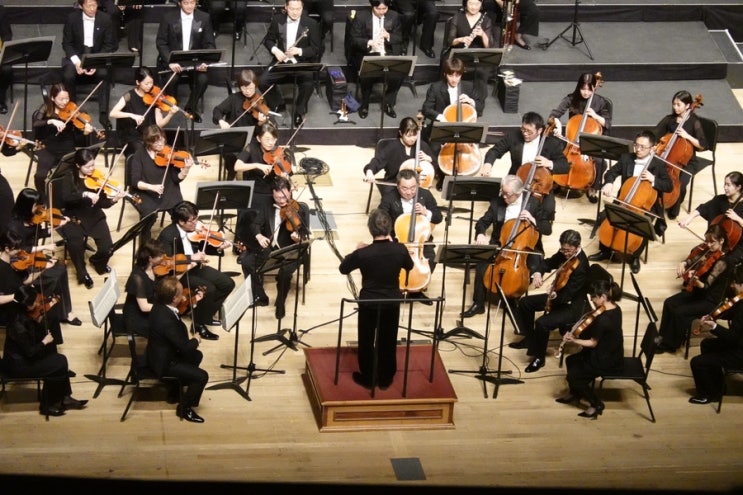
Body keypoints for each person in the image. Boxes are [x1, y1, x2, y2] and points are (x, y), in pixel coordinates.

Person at [339, 208, 414, 390]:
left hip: (369, 303)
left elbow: (343, 268)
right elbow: (410, 265)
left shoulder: (363, 253)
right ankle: (386, 378)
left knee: (366, 340)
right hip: (391, 302)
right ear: (390, 228)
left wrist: (358, 249)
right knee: (388, 339)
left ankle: (369, 378)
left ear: (370, 229)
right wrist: (394, 246)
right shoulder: (399, 249)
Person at [461, 174, 553, 317]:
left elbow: (547, 228)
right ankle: (478, 303)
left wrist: (532, 219)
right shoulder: (497, 202)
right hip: (501, 244)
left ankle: (513, 299)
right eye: (502, 192)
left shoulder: (533, 203)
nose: (503, 196)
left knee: (532, 267)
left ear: (518, 192)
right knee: (482, 265)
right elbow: (482, 222)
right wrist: (480, 234)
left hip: (525, 247)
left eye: (507, 194)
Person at [587, 130, 673, 274]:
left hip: (646, 206)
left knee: (642, 227)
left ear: (652, 148)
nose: (638, 149)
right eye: (636, 145)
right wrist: (609, 182)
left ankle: (634, 257)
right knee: (604, 217)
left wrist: (653, 179)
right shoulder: (626, 158)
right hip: (625, 199)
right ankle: (605, 251)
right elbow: (611, 172)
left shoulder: (658, 164)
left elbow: (669, 186)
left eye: (642, 147)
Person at [510, 229, 590, 373]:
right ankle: (529, 339)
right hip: (558, 295)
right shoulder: (564, 253)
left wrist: (553, 295)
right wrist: (538, 273)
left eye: (568, 251)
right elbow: (548, 263)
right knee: (525, 303)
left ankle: (539, 358)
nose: (565, 253)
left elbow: (568, 295)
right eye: (563, 249)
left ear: (577, 246)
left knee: (542, 323)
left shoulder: (582, 267)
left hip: (571, 305)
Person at [2, 285, 88, 416]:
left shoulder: (19, 312)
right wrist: (44, 341)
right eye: (34, 302)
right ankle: (47, 405)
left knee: (56, 358)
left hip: (23, 355)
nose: (37, 304)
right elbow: (30, 352)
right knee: (60, 362)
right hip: (19, 365)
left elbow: (29, 336)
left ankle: (64, 397)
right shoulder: (18, 325)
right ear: (26, 306)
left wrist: (39, 325)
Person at [157, 200, 235, 341]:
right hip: (180, 273)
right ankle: (197, 325)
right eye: (192, 220)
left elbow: (203, 244)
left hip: (195, 267)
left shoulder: (192, 230)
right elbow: (168, 261)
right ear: (181, 221)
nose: (196, 223)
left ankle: (204, 314)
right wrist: (191, 258)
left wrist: (219, 248)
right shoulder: (167, 235)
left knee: (228, 283)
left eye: (196, 218)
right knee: (209, 289)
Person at [234, 177, 311, 319]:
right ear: (273, 195)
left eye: (284, 197)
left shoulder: (299, 210)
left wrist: (297, 238)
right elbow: (255, 224)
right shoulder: (267, 205)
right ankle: (260, 297)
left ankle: (281, 301)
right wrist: (259, 236)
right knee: (246, 262)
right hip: (271, 248)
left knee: (285, 273)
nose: (281, 201)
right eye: (277, 198)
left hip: (291, 249)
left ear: (290, 192)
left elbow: (304, 235)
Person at [7, 187, 82, 326]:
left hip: (33, 256)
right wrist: (44, 247)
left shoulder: (32, 218)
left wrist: (56, 226)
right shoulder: (14, 226)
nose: (40, 208)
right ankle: (46, 306)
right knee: (54, 275)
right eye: (36, 205)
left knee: (61, 269)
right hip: (21, 262)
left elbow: (38, 234)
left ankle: (64, 311)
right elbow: (20, 249)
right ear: (26, 206)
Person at [53, 148, 124, 289]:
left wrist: (114, 200)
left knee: (107, 248)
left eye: (93, 165)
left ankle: (97, 262)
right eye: (88, 166)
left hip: (93, 215)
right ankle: (82, 273)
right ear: (78, 165)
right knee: (75, 245)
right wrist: (84, 194)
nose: (92, 169)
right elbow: (66, 198)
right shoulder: (69, 177)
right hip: (73, 217)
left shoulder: (97, 178)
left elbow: (103, 203)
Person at [482, 111, 568, 225]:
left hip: (540, 185)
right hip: (517, 181)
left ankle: (536, 230)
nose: (525, 134)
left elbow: (565, 166)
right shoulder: (514, 136)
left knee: (548, 209)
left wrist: (549, 163)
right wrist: (488, 164)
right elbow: (495, 150)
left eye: (529, 131)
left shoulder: (551, 142)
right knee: (498, 204)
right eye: (523, 129)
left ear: (539, 131)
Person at [555, 279, 624, 419]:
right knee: (570, 360)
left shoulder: (603, 319)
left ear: (603, 297)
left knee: (574, 377)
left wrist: (574, 340)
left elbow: (592, 343)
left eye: (594, 297)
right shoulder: (615, 308)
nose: (592, 300)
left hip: (605, 359)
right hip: (611, 351)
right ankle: (575, 393)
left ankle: (596, 403)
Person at [655, 225, 729, 354]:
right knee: (669, 302)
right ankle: (661, 337)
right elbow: (694, 259)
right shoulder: (708, 252)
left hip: (710, 300)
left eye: (712, 242)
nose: (708, 245)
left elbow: (706, 286)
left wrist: (695, 281)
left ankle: (671, 344)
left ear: (721, 240)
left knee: (679, 312)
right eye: (707, 241)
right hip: (698, 293)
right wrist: (684, 263)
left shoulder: (722, 262)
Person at [146, 276, 209, 423]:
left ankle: (175, 390)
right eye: (181, 294)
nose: (184, 295)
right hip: (165, 362)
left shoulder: (160, 305)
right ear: (174, 298)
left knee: (197, 356)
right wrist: (196, 339)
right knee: (202, 376)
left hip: (158, 352)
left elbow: (178, 311)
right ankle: (184, 409)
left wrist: (194, 300)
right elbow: (185, 347)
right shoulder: (167, 321)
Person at [377, 168, 442, 303]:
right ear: (398, 186)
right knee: (390, 260)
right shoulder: (389, 197)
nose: (409, 192)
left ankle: (417, 290)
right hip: (397, 239)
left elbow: (438, 217)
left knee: (431, 258)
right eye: (404, 188)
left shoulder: (425, 194)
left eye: (413, 188)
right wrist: (386, 234)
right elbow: (380, 217)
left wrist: (426, 212)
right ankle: (396, 290)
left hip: (420, 241)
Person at [549, 72, 613, 202]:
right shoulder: (571, 98)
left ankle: (593, 188)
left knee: (600, 162)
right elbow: (555, 114)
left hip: (591, 141)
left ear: (594, 88)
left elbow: (607, 123)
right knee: (554, 151)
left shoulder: (601, 102)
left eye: (589, 90)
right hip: (572, 139)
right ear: (579, 87)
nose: (586, 93)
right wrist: (557, 123)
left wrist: (595, 116)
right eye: (583, 89)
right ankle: (556, 181)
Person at [421, 56, 484, 189]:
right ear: (445, 74)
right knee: (435, 149)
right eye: (451, 75)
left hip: (463, 127)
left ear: (461, 74)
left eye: (457, 75)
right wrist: (441, 117)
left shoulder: (468, 87)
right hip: (442, 127)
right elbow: (426, 109)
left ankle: (461, 175)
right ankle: (442, 175)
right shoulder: (436, 87)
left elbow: (480, 106)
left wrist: (471, 101)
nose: (454, 79)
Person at [259, 0, 322, 127]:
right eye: (292, 9)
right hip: (281, 60)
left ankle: (299, 111)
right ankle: (277, 103)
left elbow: (315, 49)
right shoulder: (277, 20)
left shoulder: (311, 24)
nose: (295, 12)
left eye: (298, 9)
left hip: (300, 62)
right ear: (286, 7)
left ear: (302, 8)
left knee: (308, 83)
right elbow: (268, 40)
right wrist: (276, 50)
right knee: (262, 81)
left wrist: (299, 51)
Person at [689, 263, 743, 405]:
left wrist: (714, 326)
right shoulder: (741, 300)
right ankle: (717, 387)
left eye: (735, 283)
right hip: (739, 343)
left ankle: (708, 395)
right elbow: (733, 314)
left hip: (740, 353)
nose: (732, 285)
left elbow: (733, 338)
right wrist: (714, 316)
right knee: (706, 344)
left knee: (697, 362)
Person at [155, 0, 217, 123]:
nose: (189, 6)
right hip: (174, 60)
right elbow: (161, 42)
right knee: (172, 79)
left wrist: (204, 62)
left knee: (203, 79)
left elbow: (210, 44)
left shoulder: (204, 17)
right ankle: (173, 105)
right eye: (186, 3)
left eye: (192, 3)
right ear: (180, 3)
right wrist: (170, 61)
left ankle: (190, 107)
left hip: (195, 60)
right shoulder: (168, 17)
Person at [61, 0, 118, 130]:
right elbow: (67, 44)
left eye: (95, 5)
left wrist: (95, 62)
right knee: (68, 75)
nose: (92, 9)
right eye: (89, 6)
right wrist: (77, 62)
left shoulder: (105, 19)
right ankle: (71, 110)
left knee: (104, 74)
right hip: (77, 55)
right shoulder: (72, 18)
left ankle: (103, 114)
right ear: (81, 6)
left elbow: (109, 45)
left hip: (97, 55)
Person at [31, 83, 93, 203]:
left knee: (75, 172)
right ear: (52, 98)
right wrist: (51, 121)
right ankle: (43, 199)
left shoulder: (72, 109)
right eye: (61, 99)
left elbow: (77, 135)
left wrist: (85, 132)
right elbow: (36, 123)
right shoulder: (46, 108)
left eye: (67, 98)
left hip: (67, 146)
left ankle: (70, 197)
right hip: (48, 147)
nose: (65, 102)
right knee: (40, 176)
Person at [130, 124, 193, 240]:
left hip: (168, 190)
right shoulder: (140, 154)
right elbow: (135, 181)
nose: (160, 144)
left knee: (182, 215)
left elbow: (176, 178)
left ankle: (175, 240)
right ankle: (145, 244)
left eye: (161, 139)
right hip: (146, 192)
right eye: (155, 142)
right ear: (148, 142)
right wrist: (152, 187)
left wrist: (186, 169)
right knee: (149, 217)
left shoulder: (169, 151)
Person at [653, 90, 708, 220]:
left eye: (679, 105)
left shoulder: (694, 122)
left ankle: (674, 208)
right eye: (674, 104)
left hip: (687, 161)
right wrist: (654, 146)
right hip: (667, 157)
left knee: (681, 183)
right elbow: (655, 134)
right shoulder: (669, 119)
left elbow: (703, 145)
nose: (675, 107)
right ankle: (655, 202)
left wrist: (687, 136)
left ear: (688, 105)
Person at [347, 0, 404, 120]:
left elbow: (399, 37)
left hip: (387, 52)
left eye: (384, 9)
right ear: (372, 6)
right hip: (368, 52)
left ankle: (388, 102)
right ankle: (365, 103)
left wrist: (388, 36)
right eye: (378, 9)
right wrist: (369, 42)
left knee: (398, 74)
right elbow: (353, 39)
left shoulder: (394, 16)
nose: (382, 12)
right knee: (368, 72)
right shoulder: (361, 16)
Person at [109, 67, 178, 158]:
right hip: (133, 136)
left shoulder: (155, 96)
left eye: (151, 83)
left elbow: (159, 124)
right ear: (138, 82)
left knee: (169, 153)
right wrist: (132, 115)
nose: (150, 86)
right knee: (146, 155)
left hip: (150, 136)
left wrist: (170, 114)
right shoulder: (129, 96)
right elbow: (113, 113)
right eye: (146, 84)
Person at [678, 171, 743, 265]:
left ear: (738, 187)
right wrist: (688, 219)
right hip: (716, 242)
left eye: (728, 185)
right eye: (725, 184)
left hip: (737, 245)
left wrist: (738, 218)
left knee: (723, 263)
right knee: (695, 253)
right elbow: (703, 208)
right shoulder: (719, 199)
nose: (725, 187)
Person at [363, 116, 435, 198]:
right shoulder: (392, 147)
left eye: (415, 135)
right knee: (392, 202)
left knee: (427, 201)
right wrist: (370, 171)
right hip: (394, 184)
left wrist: (429, 159)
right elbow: (377, 161)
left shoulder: (422, 145)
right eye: (409, 136)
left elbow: (434, 165)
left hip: (417, 185)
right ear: (401, 133)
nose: (412, 139)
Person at [442, 0, 495, 109]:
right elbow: (450, 41)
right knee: (450, 65)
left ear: (481, 4)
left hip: (477, 54)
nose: (474, 7)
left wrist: (482, 34)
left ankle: (477, 104)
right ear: (466, 3)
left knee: (482, 71)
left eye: (477, 4)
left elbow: (489, 46)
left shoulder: (486, 20)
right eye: (471, 3)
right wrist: (461, 39)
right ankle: (449, 101)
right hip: (459, 50)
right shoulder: (457, 17)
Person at [233, 121, 294, 211]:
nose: (271, 143)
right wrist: (257, 165)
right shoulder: (251, 148)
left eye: (273, 139)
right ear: (258, 138)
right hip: (256, 191)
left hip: (273, 191)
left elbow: (287, 173)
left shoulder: (279, 151)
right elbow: (237, 166)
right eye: (267, 139)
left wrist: (285, 177)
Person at [123, 238, 167, 339]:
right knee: (166, 330)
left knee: (171, 325)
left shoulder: (153, 268)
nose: (163, 257)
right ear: (150, 258)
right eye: (160, 255)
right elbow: (144, 307)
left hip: (150, 308)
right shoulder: (137, 277)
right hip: (136, 317)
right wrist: (166, 309)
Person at [0, 5, 13, 114]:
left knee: (6, 69)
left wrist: (2, 53)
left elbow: (7, 35)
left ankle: (1, 99)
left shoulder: (1, 11)